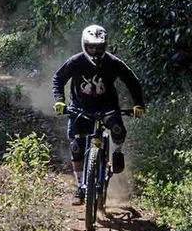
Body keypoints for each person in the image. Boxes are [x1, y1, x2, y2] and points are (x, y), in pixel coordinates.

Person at [52, 25, 146, 205]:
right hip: (80, 108)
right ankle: (80, 186)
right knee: (76, 147)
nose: (95, 51)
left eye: (99, 47)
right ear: (84, 45)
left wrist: (139, 104)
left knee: (118, 130)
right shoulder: (76, 61)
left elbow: (132, 81)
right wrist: (59, 101)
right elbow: (58, 79)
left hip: (107, 107)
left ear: (105, 46)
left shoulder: (113, 62)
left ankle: (116, 153)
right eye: (91, 47)